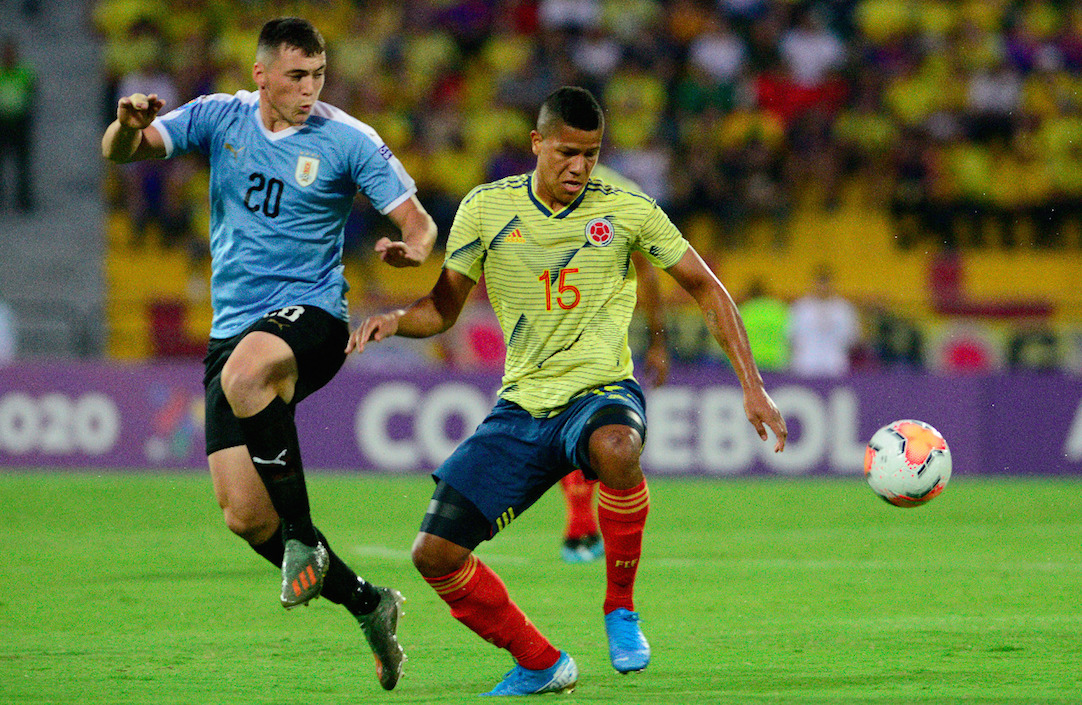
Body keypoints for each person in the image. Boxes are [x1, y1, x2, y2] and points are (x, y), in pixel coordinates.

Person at [347, 86, 787, 696]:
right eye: (566, 153)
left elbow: (706, 288)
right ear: (537, 144)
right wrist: (396, 318)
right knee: (434, 554)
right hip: (522, 407)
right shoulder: (485, 209)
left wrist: (753, 386)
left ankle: (620, 609)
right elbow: (442, 310)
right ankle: (540, 662)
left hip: (601, 390)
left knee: (617, 447)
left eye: (591, 152)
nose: (579, 166)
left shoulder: (627, 209)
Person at [101, 17, 437, 691]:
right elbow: (121, 153)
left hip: (313, 317)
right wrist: (129, 125)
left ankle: (305, 537)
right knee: (245, 515)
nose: (309, 89)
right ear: (261, 74)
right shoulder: (218, 117)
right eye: (295, 76)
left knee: (247, 372)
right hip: (234, 330)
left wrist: (414, 248)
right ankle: (368, 601)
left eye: (318, 75)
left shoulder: (348, 139)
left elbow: (419, 221)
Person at [558, 162, 670, 564]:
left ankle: (579, 523)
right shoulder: (623, 192)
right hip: (548, 325)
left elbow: (646, 271)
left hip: (595, 331)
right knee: (573, 424)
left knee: (588, 424)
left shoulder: (620, 196)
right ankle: (580, 524)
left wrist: (658, 340)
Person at [788, 264, 860, 376]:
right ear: (814, 284)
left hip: (835, 365)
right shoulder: (801, 307)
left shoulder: (843, 309)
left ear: (831, 284)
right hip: (805, 365)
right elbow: (791, 337)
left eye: (825, 284)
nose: (823, 287)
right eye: (820, 284)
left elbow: (852, 339)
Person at [0, 37, 36, 211]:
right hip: (2, 121)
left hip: (20, 120)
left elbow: (31, 92)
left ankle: (24, 199)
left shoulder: (25, 72)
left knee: (22, 163)